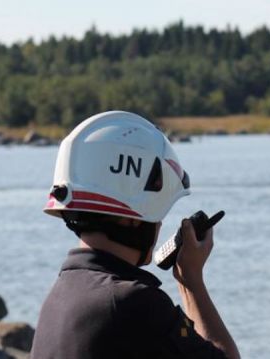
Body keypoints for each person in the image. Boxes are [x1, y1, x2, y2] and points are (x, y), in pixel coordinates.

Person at [31, 111, 240, 359]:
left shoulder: (60, 295)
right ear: (130, 218)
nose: (160, 224)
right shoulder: (134, 302)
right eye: (157, 213)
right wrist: (191, 281)